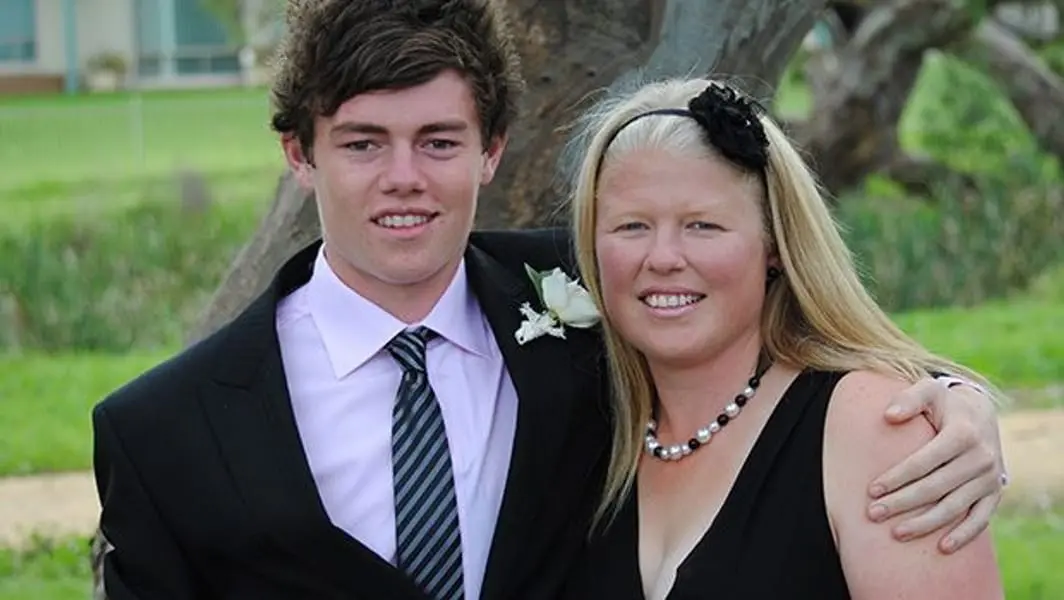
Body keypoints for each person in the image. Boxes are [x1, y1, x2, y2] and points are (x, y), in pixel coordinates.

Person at [90, 2, 1007, 599]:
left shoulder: (597, 301)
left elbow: (769, 327)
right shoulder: (164, 434)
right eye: (363, 143)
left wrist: (953, 404)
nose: (405, 178)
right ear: (300, 155)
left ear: (492, 150)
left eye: (440, 142)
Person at [558, 77, 1006, 599]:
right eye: (632, 226)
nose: (662, 258)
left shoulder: (873, 428)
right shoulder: (581, 424)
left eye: (702, 226)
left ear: (774, 245)